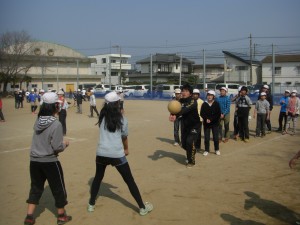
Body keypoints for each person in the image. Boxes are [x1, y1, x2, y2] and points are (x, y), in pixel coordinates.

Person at [88, 91, 153, 215]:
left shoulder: (101, 115)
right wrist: (126, 149)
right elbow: (124, 136)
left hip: (101, 153)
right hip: (116, 154)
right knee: (129, 180)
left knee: (98, 178)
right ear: (117, 103)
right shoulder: (122, 118)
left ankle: (91, 204)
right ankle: (142, 207)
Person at [24, 92, 72, 225]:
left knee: (35, 187)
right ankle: (61, 215)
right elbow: (57, 147)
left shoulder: (38, 121)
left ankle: (29, 216)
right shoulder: (56, 124)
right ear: (55, 106)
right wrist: (65, 144)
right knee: (58, 188)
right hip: (50, 161)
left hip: (34, 161)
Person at [174, 84, 200, 168]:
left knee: (189, 142)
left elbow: (185, 110)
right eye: (183, 91)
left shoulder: (193, 101)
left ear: (190, 93)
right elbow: (175, 109)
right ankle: (193, 150)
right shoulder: (180, 101)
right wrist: (172, 114)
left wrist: (176, 114)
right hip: (185, 126)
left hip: (194, 126)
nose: (184, 93)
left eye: (186, 91)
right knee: (184, 144)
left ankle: (191, 161)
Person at [200, 90, 221, 156]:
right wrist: (206, 119)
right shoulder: (204, 104)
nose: (209, 97)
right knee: (206, 138)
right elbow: (202, 113)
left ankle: (217, 149)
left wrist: (211, 119)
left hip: (215, 123)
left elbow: (218, 114)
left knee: (215, 137)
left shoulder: (216, 104)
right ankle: (206, 150)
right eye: (208, 95)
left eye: (211, 95)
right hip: (206, 124)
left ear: (213, 96)